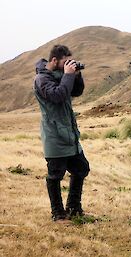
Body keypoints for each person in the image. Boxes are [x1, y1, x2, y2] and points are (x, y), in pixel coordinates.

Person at [33, 45, 90, 223]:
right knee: (55, 175)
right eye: (65, 62)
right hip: (54, 135)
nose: (68, 65)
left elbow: (76, 91)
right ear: (54, 61)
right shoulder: (42, 79)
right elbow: (58, 95)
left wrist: (76, 74)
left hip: (69, 134)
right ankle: (57, 213)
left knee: (81, 169)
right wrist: (68, 75)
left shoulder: (61, 75)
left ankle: (73, 208)